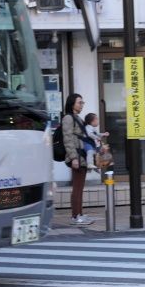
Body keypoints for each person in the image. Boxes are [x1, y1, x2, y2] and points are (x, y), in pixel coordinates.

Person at [61, 93, 93, 226]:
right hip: (77, 157)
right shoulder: (68, 118)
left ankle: (79, 214)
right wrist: (73, 157)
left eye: (82, 102)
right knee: (77, 188)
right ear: (72, 104)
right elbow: (67, 139)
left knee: (80, 187)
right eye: (80, 102)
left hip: (82, 156)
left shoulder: (77, 118)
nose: (82, 105)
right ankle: (75, 216)